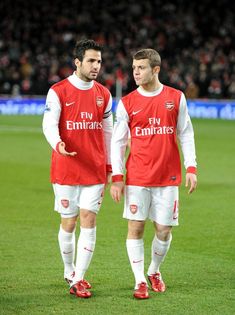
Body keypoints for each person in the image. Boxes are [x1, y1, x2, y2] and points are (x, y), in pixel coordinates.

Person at [110, 48, 197, 299]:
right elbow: (117, 142)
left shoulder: (176, 97)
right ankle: (139, 281)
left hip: (168, 177)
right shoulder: (127, 102)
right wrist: (117, 177)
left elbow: (186, 133)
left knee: (163, 230)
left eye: (141, 68)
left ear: (155, 69)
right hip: (137, 177)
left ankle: (154, 270)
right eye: (134, 68)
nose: (135, 72)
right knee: (135, 228)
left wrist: (191, 167)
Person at [42, 39, 113, 298]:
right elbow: (49, 123)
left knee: (89, 220)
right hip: (66, 168)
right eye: (91, 61)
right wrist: (57, 143)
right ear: (77, 62)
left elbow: (108, 132)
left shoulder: (104, 94)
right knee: (68, 222)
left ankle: (79, 279)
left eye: (99, 61)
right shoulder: (58, 91)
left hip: (94, 169)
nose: (96, 66)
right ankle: (69, 269)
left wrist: (110, 166)